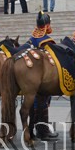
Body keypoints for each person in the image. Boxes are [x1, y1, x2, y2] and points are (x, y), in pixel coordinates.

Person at [28, 11, 58, 140]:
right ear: (46, 25)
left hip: (30, 74)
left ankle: (31, 129)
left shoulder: (32, 38)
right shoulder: (47, 40)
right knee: (42, 102)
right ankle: (43, 130)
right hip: (43, 76)